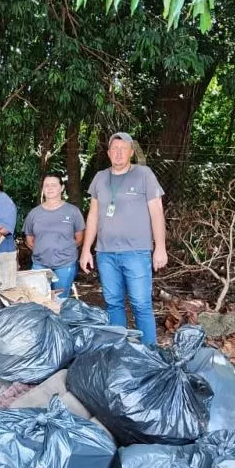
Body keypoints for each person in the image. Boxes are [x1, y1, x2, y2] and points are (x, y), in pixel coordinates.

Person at [79, 131, 167, 345]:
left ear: (130, 153)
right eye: (114, 150)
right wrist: (86, 249)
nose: (118, 153)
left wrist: (160, 247)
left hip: (136, 252)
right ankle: (119, 352)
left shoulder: (144, 174)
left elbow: (156, 212)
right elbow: (93, 215)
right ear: (109, 153)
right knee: (113, 303)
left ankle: (150, 353)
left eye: (123, 149)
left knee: (140, 304)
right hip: (105, 253)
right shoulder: (100, 177)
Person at [23, 172, 85, 299]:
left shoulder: (73, 211)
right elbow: (29, 240)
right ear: (42, 188)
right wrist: (43, 251)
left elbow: (79, 238)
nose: (49, 188)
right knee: (38, 300)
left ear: (62, 188)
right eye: (46, 185)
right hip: (39, 265)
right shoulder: (34, 213)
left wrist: (63, 251)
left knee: (59, 301)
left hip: (65, 264)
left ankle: (58, 319)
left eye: (54, 185)